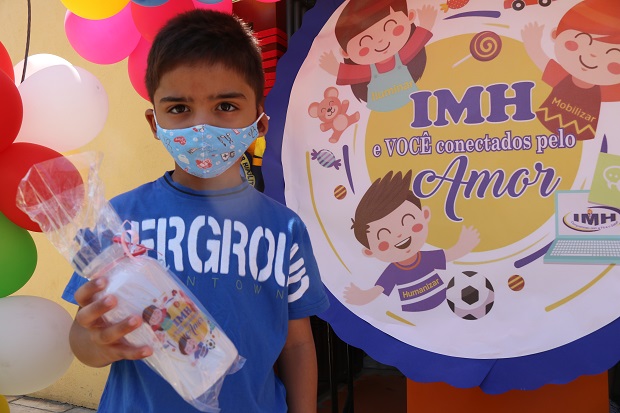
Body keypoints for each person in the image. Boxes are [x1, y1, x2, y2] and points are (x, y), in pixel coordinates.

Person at [61, 9, 329, 413]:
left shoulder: (285, 229)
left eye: (226, 105)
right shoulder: (120, 219)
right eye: (179, 109)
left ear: (259, 123)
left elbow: (298, 344)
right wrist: (96, 342)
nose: (201, 126)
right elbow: (84, 340)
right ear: (154, 123)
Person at [344, 170, 479, 312]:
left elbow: (449, 255)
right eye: (384, 235)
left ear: (425, 215)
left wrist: (464, 245)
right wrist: (363, 296)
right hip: (413, 314)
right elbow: (379, 289)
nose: (399, 235)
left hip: (444, 305)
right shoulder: (392, 271)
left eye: (407, 221)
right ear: (369, 252)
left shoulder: (425, 258)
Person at [521, 0, 620, 141]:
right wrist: (532, 43)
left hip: (583, 133)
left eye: (613, 62)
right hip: (544, 124)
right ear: (555, 35)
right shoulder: (562, 76)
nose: (592, 56)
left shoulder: (605, 89)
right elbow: (542, 62)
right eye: (576, 44)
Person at [319, 0, 437, 112]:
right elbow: (352, 73)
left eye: (391, 28)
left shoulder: (401, 57)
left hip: (414, 99)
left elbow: (414, 46)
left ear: (410, 17)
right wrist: (333, 67)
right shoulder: (368, 70)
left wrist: (426, 24)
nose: (380, 41)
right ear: (346, 53)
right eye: (365, 42)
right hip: (380, 111)